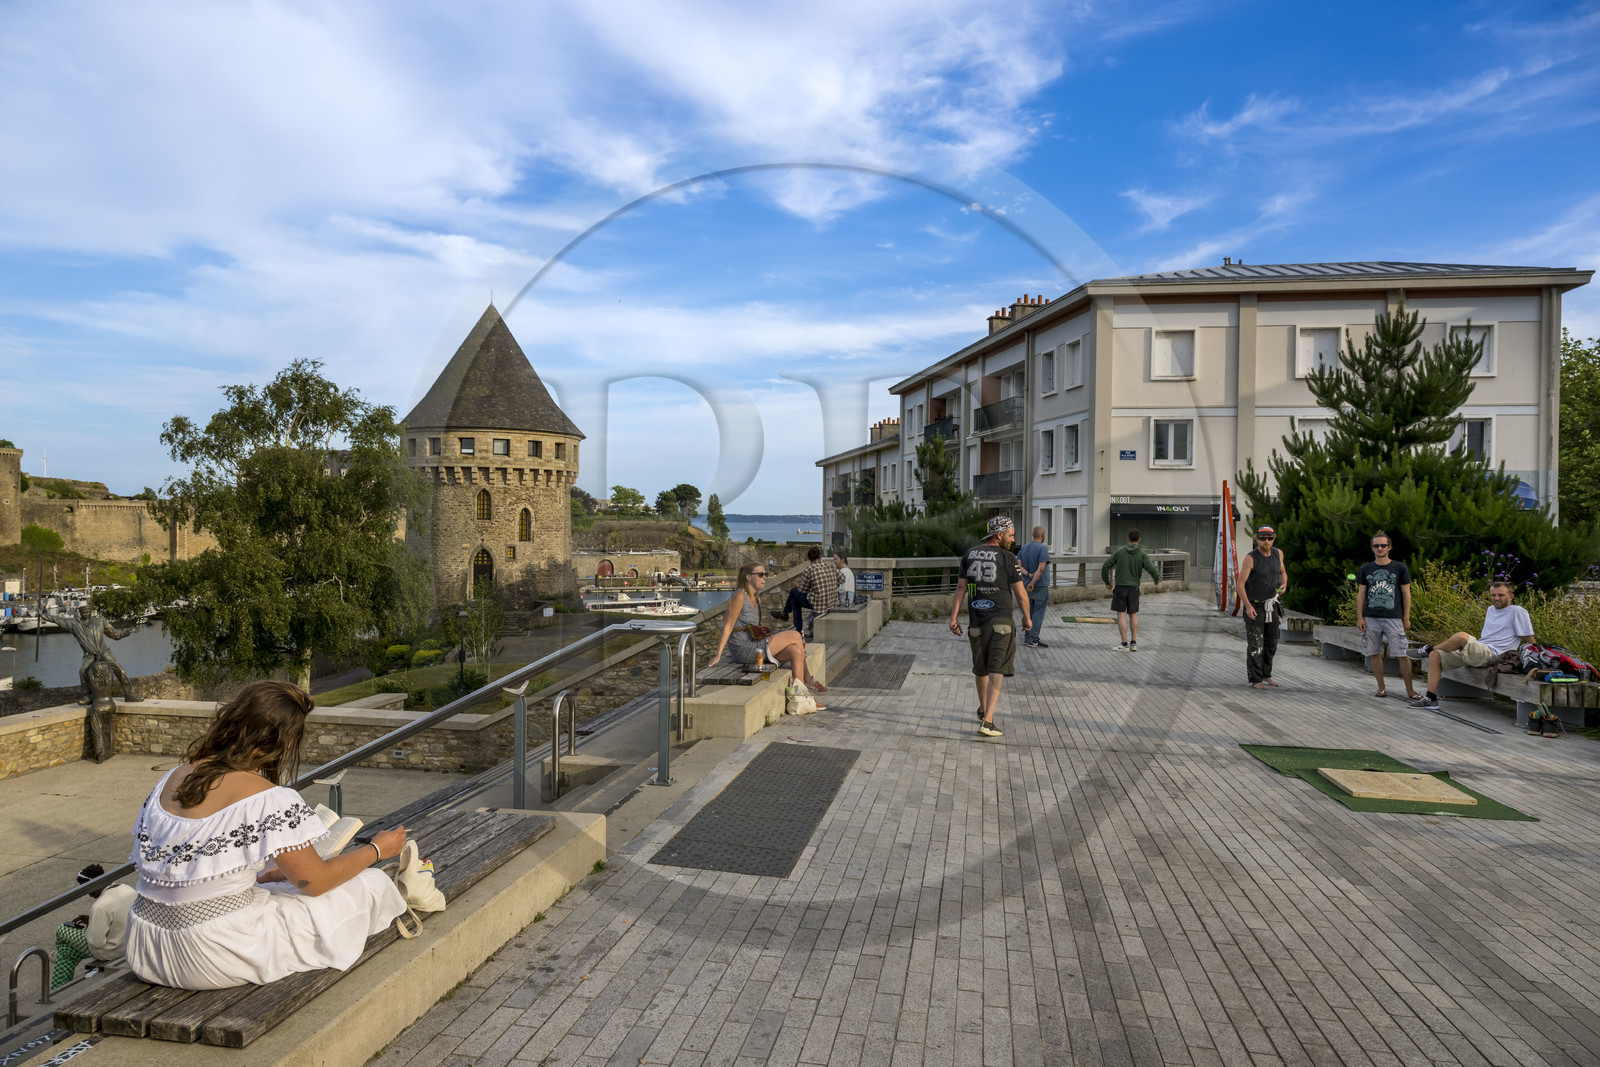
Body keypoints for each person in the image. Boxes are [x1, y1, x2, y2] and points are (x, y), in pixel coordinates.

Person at [124, 680, 410, 990]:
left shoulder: (173, 777)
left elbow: (187, 869)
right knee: (373, 884)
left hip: (146, 946)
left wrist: (265, 875)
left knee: (282, 888)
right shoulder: (267, 797)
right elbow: (316, 883)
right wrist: (378, 850)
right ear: (282, 742)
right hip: (211, 953)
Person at [949, 516, 1031, 738]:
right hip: (1001, 620)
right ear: (999, 534)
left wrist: (954, 617)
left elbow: (960, 588)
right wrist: (1027, 617)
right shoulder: (1008, 558)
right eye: (1011, 535)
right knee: (997, 669)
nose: (1012, 539)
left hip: (976, 621)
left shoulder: (969, 554)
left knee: (981, 667)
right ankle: (988, 721)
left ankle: (984, 709)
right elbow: (1020, 592)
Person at [1407, 581, 1535, 715]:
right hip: (1480, 650)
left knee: (1461, 637)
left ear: (1511, 596)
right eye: (1493, 595)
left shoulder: (1518, 611)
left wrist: (1535, 659)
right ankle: (1430, 698)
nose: (1496, 598)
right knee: (1436, 656)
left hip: (1494, 654)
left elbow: (1529, 638)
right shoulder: (1490, 609)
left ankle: (1427, 649)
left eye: (1501, 595)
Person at [709, 563, 826, 702]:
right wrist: (719, 654)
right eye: (760, 575)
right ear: (748, 577)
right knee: (795, 635)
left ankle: (798, 697)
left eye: (766, 575)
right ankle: (806, 683)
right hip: (745, 649)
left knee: (796, 651)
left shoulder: (756, 598)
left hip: (755, 645)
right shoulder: (739, 597)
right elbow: (728, 626)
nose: (765, 578)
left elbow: (755, 628)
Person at [51, 864, 135, 989]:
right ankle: (58, 987)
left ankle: (57, 957)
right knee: (67, 951)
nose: (88, 894)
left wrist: (91, 926)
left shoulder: (100, 906)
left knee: (62, 930)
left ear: (93, 884)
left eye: (87, 889)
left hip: (112, 951)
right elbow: (118, 918)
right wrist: (92, 920)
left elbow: (96, 942)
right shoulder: (127, 889)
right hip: (130, 943)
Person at [1355, 530, 1416, 700]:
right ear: (1372, 548)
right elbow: (1361, 594)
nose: (1380, 548)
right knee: (1374, 652)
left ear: (1389, 547)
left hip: (1394, 617)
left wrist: (1406, 617)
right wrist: (1360, 617)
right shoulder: (1365, 569)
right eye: (1376, 545)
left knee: (1403, 653)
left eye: (1383, 545)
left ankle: (1410, 690)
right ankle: (1381, 688)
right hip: (1371, 617)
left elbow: (1406, 594)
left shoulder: (1399, 568)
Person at [41, 604, 143, 704]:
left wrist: (126, 633)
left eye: (87, 611)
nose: (85, 613)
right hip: (89, 654)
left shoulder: (101, 621)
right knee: (82, 671)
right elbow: (58, 620)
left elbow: (115, 635)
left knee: (119, 670)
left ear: (91, 612)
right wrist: (42, 615)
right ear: (80, 613)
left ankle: (129, 694)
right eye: (83, 612)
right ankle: (88, 695)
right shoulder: (74, 624)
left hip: (104, 652)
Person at [1238, 525, 1288, 689]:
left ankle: (1266, 674)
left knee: (1271, 643)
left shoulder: (1278, 553)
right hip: (1255, 606)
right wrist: (1248, 606)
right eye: (1263, 538)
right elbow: (1240, 584)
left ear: (1274, 538)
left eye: (1269, 537)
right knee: (1255, 644)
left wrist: (1284, 584)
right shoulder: (1250, 558)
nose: (1266, 541)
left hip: (1272, 604)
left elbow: (1282, 572)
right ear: (1256, 539)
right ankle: (1256, 679)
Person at [1100, 530, 1159, 652]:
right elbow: (1152, 569)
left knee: (1121, 614)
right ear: (1139, 540)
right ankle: (1133, 643)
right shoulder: (1142, 555)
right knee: (1133, 614)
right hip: (1134, 588)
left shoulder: (1120, 552)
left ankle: (1124, 643)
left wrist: (1107, 582)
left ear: (1128, 539)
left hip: (1121, 587)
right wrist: (1156, 581)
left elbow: (1106, 566)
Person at [1017, 526, 1052, 648]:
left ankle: (1027, 638)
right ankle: (1033, 639)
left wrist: (1029, 575)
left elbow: (1019, 566)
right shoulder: (1042, 548)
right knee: (1038, 612)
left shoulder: (1024, 548)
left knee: (1029, 612)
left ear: (1033, 535)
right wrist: (1033, 582)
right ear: (1043, 535)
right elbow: (1041, 568)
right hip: (1040, 586)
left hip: (1025, 584)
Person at [797, 546, 839, 633]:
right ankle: (800, 624)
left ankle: (797, 627)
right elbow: (843, 579)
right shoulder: (831, 565)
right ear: (820, 555)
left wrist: (798, 587)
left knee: (794, 595)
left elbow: (803, 590)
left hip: (819, 604)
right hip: (832, 602)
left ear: (809, 558)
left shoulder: (809, 569)